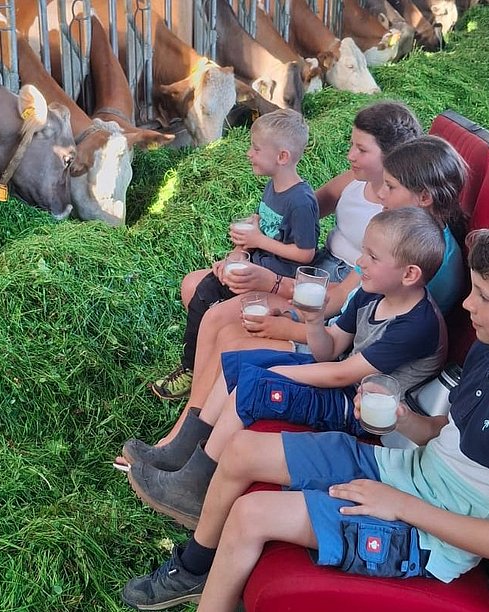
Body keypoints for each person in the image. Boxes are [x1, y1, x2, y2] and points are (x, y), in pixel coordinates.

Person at [120, 218, 489, 612]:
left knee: (251, 514)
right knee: (241, 450)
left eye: (485, 298)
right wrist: (401, 421)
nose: (467, 304)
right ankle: (196, 567)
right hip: (406, 470)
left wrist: (398, 504)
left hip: (432, 536)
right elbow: (438, 432)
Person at [127, 207, 448, 527]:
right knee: (237, 363)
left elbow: (341, 373)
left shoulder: (416, 324)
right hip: (340, 379)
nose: (360, 262)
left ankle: (194, 490)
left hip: (361, 411)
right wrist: (314, 322)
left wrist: (277, 374)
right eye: (363, 251)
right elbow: (331, 348)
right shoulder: (370, 292)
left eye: (373, 257)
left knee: (255, 384)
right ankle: (182, 454)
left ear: (409, 274)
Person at [147, 99, 422, 412]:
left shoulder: (397, 217)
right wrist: (244, 250)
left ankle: (201, 400)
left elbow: (343, 294)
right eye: (351, 145)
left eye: (361, 149)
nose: (350, 155)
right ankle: (203, 374)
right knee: (193, 286)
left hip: (332, 285)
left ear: (393, 155)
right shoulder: (353, 181)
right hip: (313, 267)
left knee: (219, 314)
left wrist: (271, 280)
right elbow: (296, 212)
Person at [150, 108, 320, 401]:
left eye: (256, 149)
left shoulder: (301, 200)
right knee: (206, 289)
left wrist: (257, 240)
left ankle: (193, 369)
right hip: (256, 265)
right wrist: (238, 252)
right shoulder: (273, 186)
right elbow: (266, 225)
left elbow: (305, 254)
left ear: (282, 157)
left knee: (207, 296)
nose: (248, 154)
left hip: (276, 279)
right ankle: (199, 364)